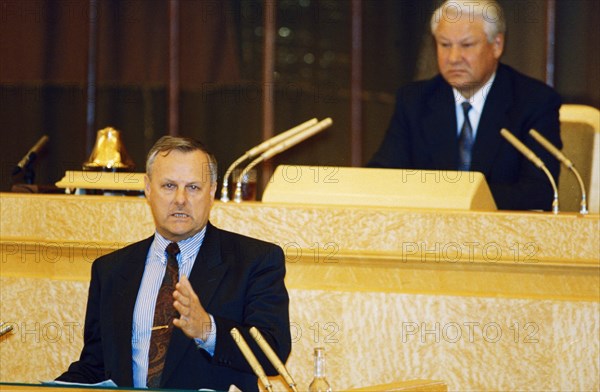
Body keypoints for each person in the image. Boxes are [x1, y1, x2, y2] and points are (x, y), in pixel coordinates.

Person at [57, 136, 291, 391]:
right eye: (169, 186)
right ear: (147, 188)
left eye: (193, 187)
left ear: (211, 191)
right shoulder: (111, 270)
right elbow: (95, 365)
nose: (180, 199)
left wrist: (207, 329)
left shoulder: (255, 261)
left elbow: (272, 354)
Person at [368, 0, 562, 211]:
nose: (453, 58)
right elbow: (382, 177)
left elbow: (540, 191)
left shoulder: (533, 102)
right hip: (428, 235)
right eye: (445, 45)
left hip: (503, 235)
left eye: (467, 45)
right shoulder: (415, 101)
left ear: (497, 45)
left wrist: (454, 199)